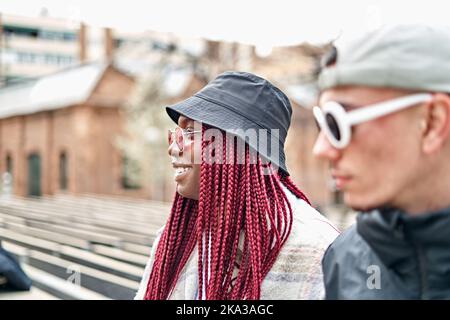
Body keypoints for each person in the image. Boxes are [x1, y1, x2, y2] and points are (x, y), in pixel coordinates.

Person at [135, 71, 339, 300]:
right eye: (177, 133)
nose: (173, 147)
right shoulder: (175, 240)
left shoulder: (316, 249)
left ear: (236, 149)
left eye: (191, 132)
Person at [313, 24, 450, 299]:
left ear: (432, 122)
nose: (321, 149)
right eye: (321, 123)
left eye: (338, 122)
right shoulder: (345, 258)